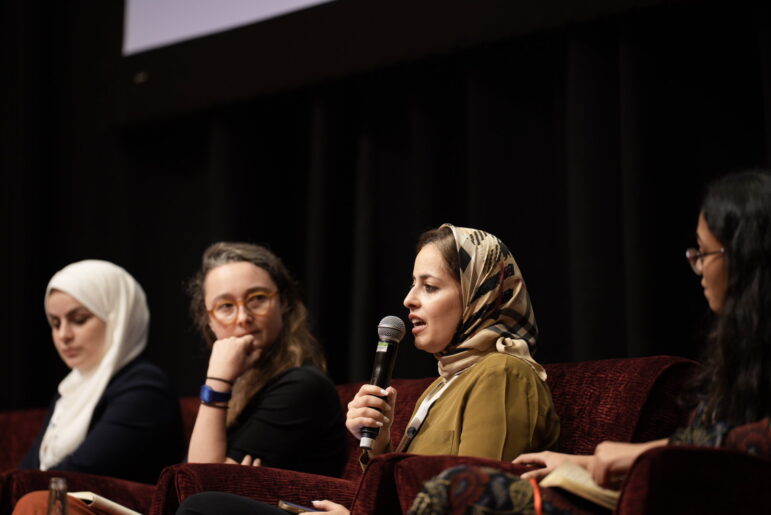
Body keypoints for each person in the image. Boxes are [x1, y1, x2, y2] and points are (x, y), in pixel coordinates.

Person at [407, 170, 771, 514]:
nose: (699, 267)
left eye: (705, 254)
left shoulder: (503, 373)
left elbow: (740, 446)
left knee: (458, 488)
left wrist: (636, 454)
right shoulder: (737, 353)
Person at [176, 224, 560, 515]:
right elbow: (408, 492)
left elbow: (468, 501)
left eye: (429, 286)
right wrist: (378, 443)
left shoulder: (503, 374)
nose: (409, 300)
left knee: (205, 508)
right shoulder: (445, 383)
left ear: (481, 293)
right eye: (413, 285)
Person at [12, 260, 184, 512]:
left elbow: (72, 476)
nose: (63, 335)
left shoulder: (145, 388)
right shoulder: (71, 390)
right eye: (55, 323)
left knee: (38, 505)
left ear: (118, 318)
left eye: (79, 319)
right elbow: (28, 472)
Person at [185, 241, 345, 474]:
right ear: (208, 319)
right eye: (226, 306)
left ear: (283, 301)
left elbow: (201, 481)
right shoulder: (240, 384)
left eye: (257, 298)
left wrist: (216, 381)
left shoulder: (302, 386)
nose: (243, 317)